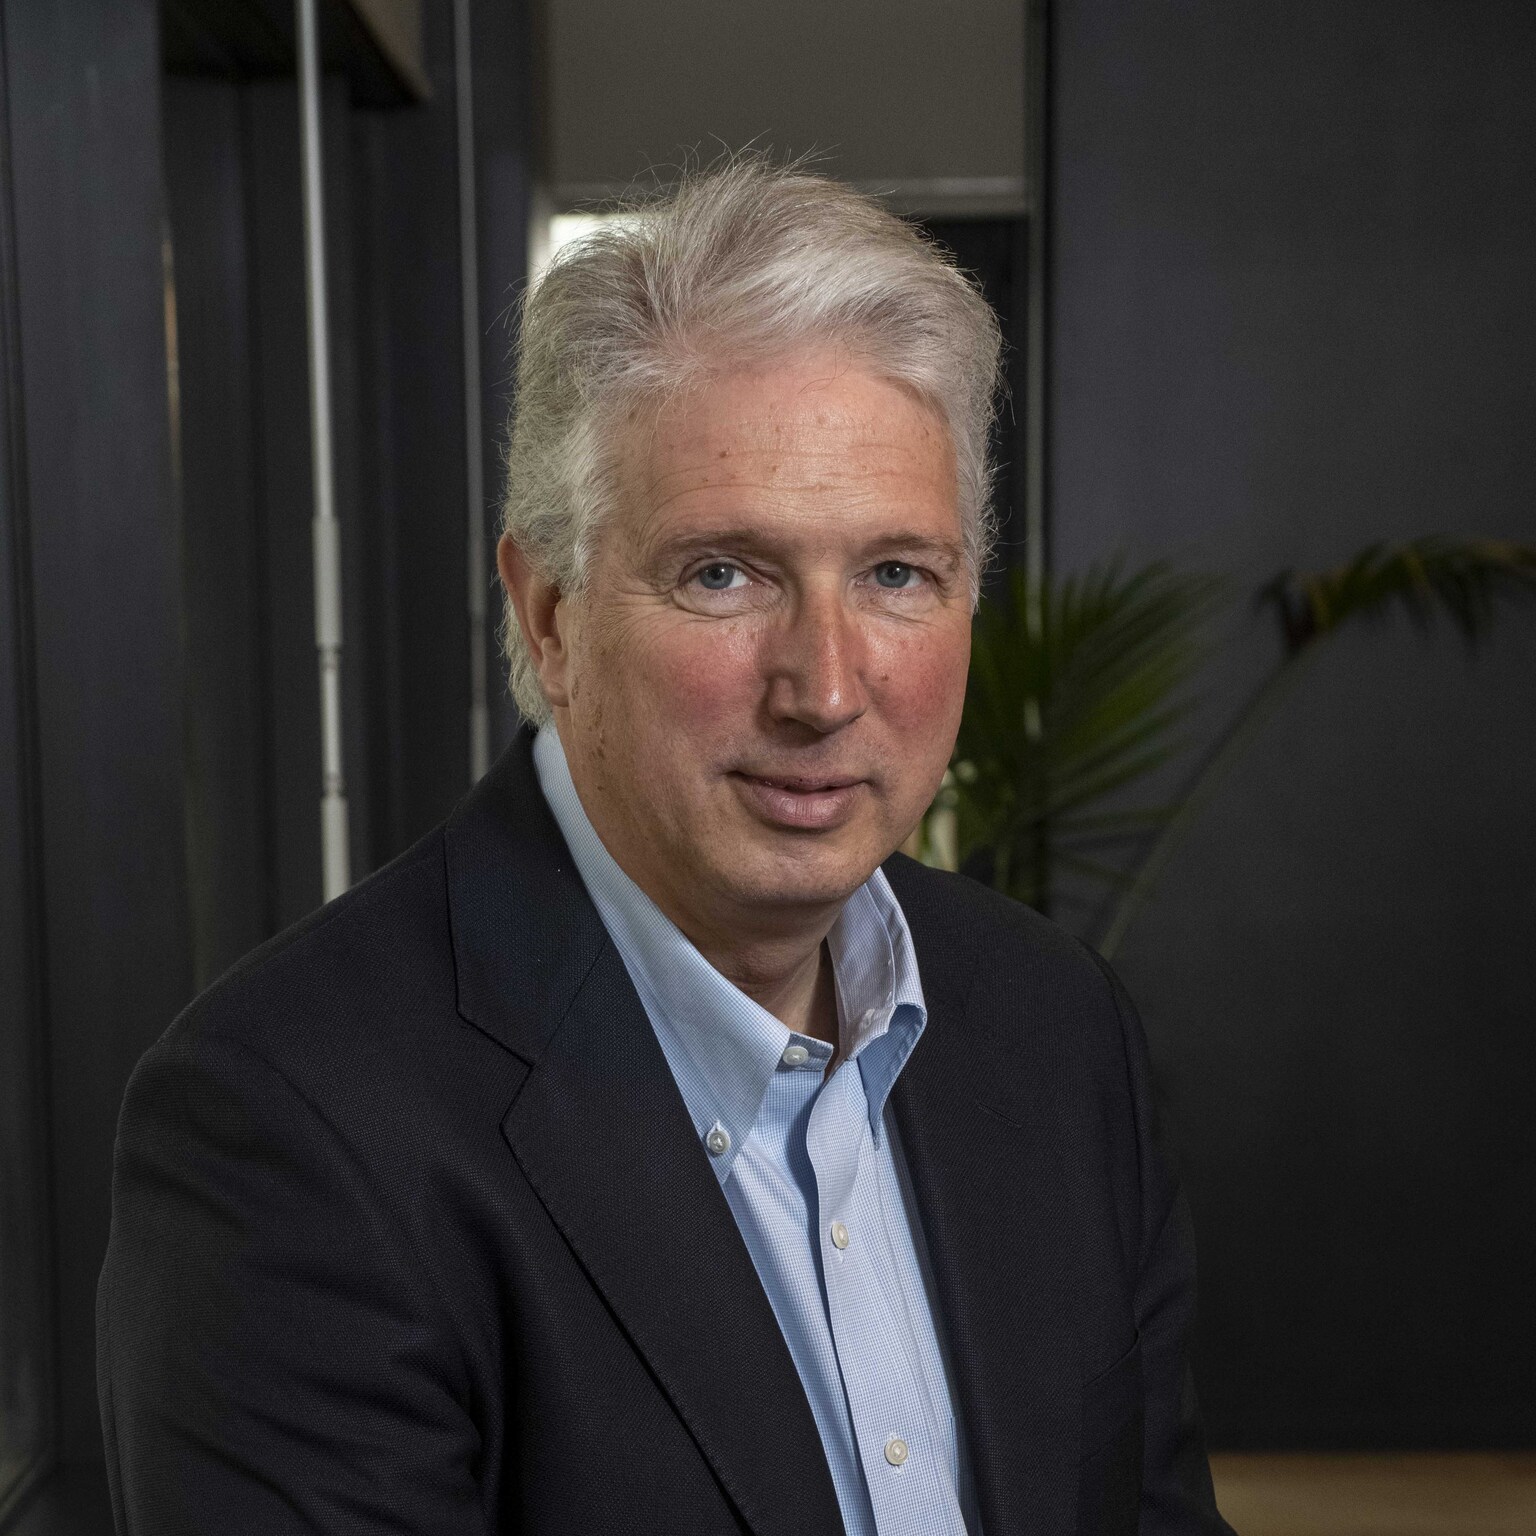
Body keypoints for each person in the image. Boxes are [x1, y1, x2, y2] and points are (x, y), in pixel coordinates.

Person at [98, 158, 1233, 1535]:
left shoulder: (1056, 1026)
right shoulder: (292, 1127)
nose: (825, 687)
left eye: (895, 574)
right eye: (723, 574)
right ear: (551, 617)